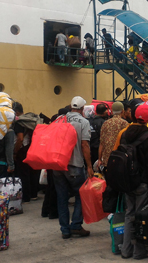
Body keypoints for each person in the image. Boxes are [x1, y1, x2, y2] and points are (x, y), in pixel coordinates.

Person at [121, 101, 148, 260]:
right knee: (140, 217)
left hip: (127, 181)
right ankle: (139, 251)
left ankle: (126, 250)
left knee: (129, 215)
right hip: (142, 182)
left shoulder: (125, 133)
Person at [53, 96, 93, 239]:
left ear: (71, 107)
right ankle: (76, 225)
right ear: (82, 109)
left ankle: (65, 229)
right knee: (80, 196)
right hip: (75, 165)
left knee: (62, 197)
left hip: (58, 165)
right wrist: (89, 166)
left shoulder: (59, 119)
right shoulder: (83, 122)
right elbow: (84, 145)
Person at [13, 102, 41, 202]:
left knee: (23, 173)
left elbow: (20, 139)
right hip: (32, 147)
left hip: (22, 150)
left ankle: (26, 196)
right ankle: (34, 194)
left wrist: (15, 152)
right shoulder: (29, 120)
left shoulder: (19, 122)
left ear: (16, 112)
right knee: (32, 172)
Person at [98, 102, 128, 168]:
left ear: (111, 111)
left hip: (107, 160)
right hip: (120, 159)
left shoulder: (105, 123)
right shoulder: (125, 123)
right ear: (122, 111)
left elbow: (101, 143)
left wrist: (99, 159)